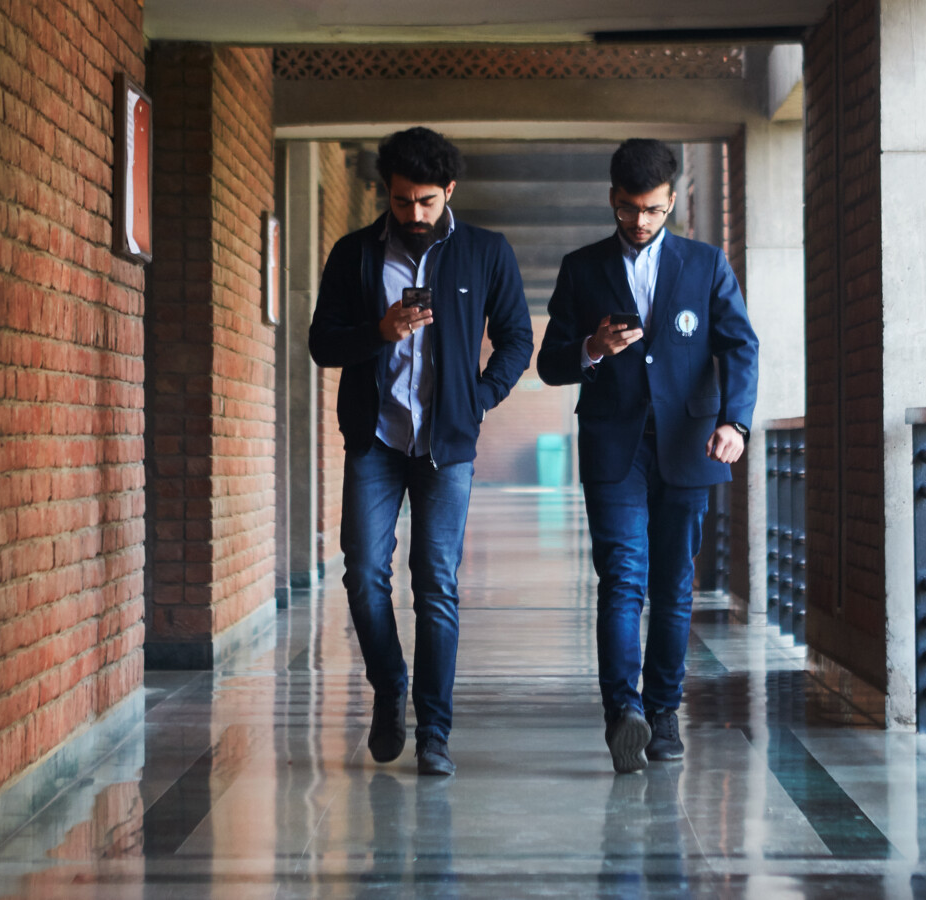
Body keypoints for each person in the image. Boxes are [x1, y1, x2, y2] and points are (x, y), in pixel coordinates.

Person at [310, 127, 533, 776]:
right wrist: (379, 332)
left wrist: (479, 398)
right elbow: (323, 343)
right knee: (362, 575)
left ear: (449, 191)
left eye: (427, 201)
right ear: (386, 190)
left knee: (436, 584)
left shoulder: (485, 252)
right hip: (376, 440)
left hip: (447, 445)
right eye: (402, 200)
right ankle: (390, 687)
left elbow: (517, 338)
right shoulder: (354, 254)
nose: (414, 213)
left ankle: (434, 732)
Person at [537, 139, 758, 774]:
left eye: (654, 210)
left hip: (690, 444)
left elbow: (740, 346)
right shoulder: (582, 268)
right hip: (615, 448)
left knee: (673, 587)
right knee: (622, 578)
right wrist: (592, 348)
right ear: (613, 198)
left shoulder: (704, 264)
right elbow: (551, 362)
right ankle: (623, 713)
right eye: (630, 209)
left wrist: (735, 422)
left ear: (672, 202)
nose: (641, 221)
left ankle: (663, 712)